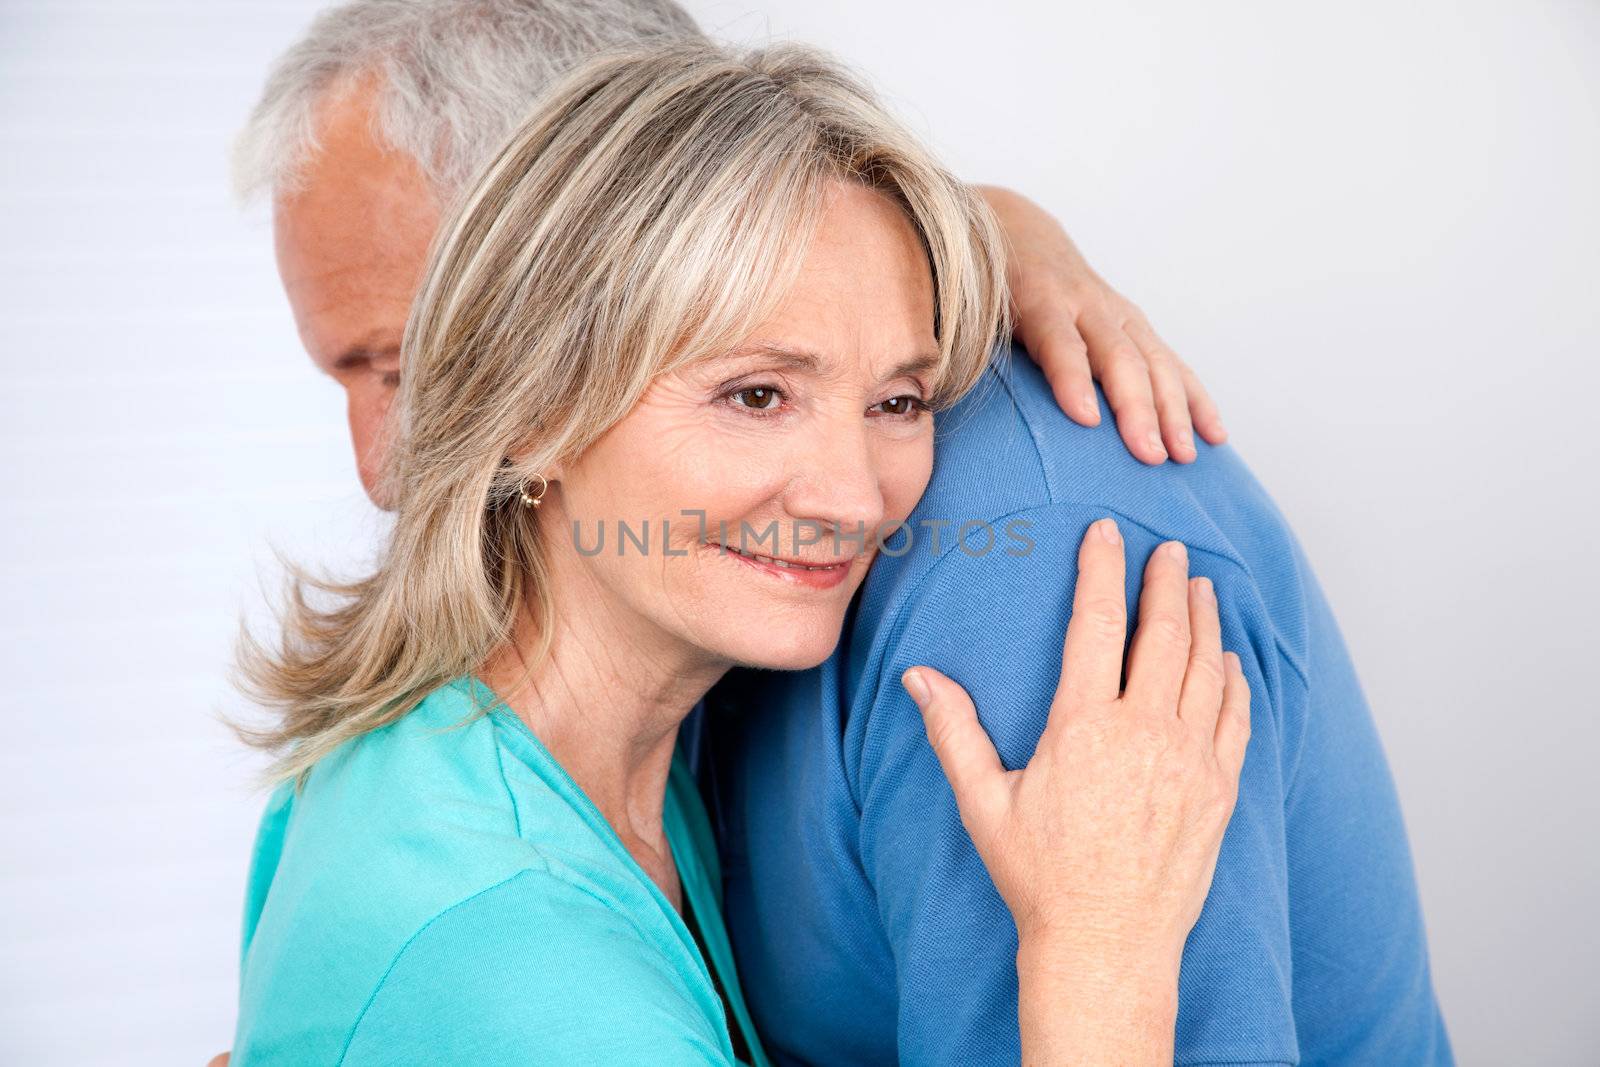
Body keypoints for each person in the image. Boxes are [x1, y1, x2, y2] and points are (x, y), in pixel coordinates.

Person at [221, 1, 1450, 1063]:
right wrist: (1100, 961)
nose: (396, 463)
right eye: (757, 393)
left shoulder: (1021, 573)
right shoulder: (524, 890)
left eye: (900, 397)